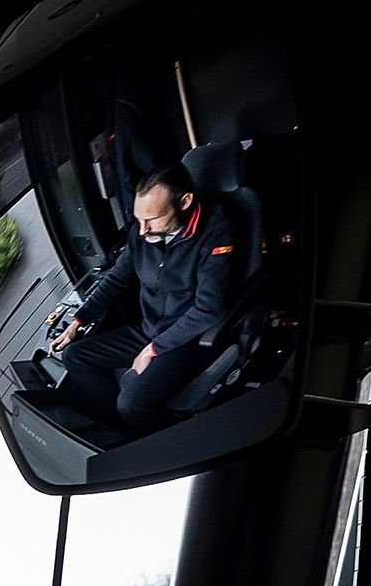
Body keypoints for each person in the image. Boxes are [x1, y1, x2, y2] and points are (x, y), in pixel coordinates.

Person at [43, 163, 248, 435]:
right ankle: (118, 429)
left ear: (184, 202)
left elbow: (208, 310)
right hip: (148, 329)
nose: (142, 230)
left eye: (151, 220)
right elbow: (117, 278)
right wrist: (79, 320)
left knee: (132, 405)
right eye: (139, 219)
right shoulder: (143, 232)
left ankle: (166, 437)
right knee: (75, 356)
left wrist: (154, 349)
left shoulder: (217, 234)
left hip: (188, 339)